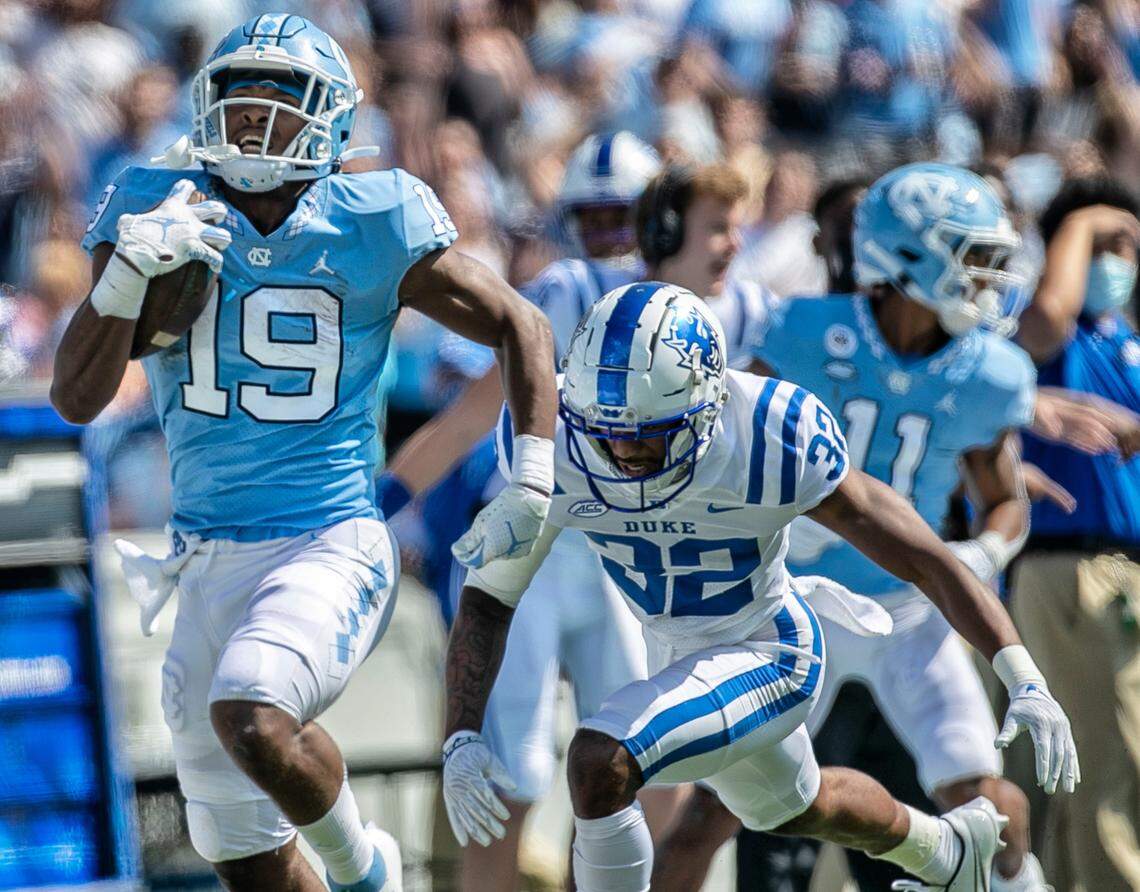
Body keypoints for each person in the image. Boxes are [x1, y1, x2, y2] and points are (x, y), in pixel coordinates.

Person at [51, 14, 556, 892]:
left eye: (276, 105)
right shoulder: (154, 203)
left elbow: (523, 322)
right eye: (238, 103)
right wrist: (126, 277)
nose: (251, 123)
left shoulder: (373, 216)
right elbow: (75, 398)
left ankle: (367, 872)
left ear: (325, 121)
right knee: (245, 860)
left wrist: (535, 475)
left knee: (254, 712)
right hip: (202, 552)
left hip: (326, 536)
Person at [441, 280, 1079, 892]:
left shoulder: (772, 432)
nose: (625, 458)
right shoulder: (550, 444)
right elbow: (490, 597)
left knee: (599, 759)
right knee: (798, 807)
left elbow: (924, 557)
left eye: (649, 438)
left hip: (770, 649)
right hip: (674, 646)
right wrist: (462, 732)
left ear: (710, 405)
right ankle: (942, 848)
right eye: (608, 437)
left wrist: (1022, 672)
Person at [380, 131, 677, 891]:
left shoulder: (689, 299)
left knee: (650, 770)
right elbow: (468, 420)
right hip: (535, 555)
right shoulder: (562, 289)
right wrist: (376, 505)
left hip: (625, 554)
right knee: (506, 783)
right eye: (598, 219)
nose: (612, 238)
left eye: (626, 218)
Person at [1013, 176, 1140, 892]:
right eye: (1103, 244)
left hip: (1124, 570)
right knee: (1103, 763)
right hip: (1072, 568)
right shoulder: (1052, 342)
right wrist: (1083, 217)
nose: (1120, 258)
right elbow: (1047, 317)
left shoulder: (1124, 342)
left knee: (1115, 765)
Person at [635, 162, 774, 364]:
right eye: (719, 228)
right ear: (666, 234)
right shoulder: (597, 303)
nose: (736, 244)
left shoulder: (754, 311)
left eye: (737, 229)